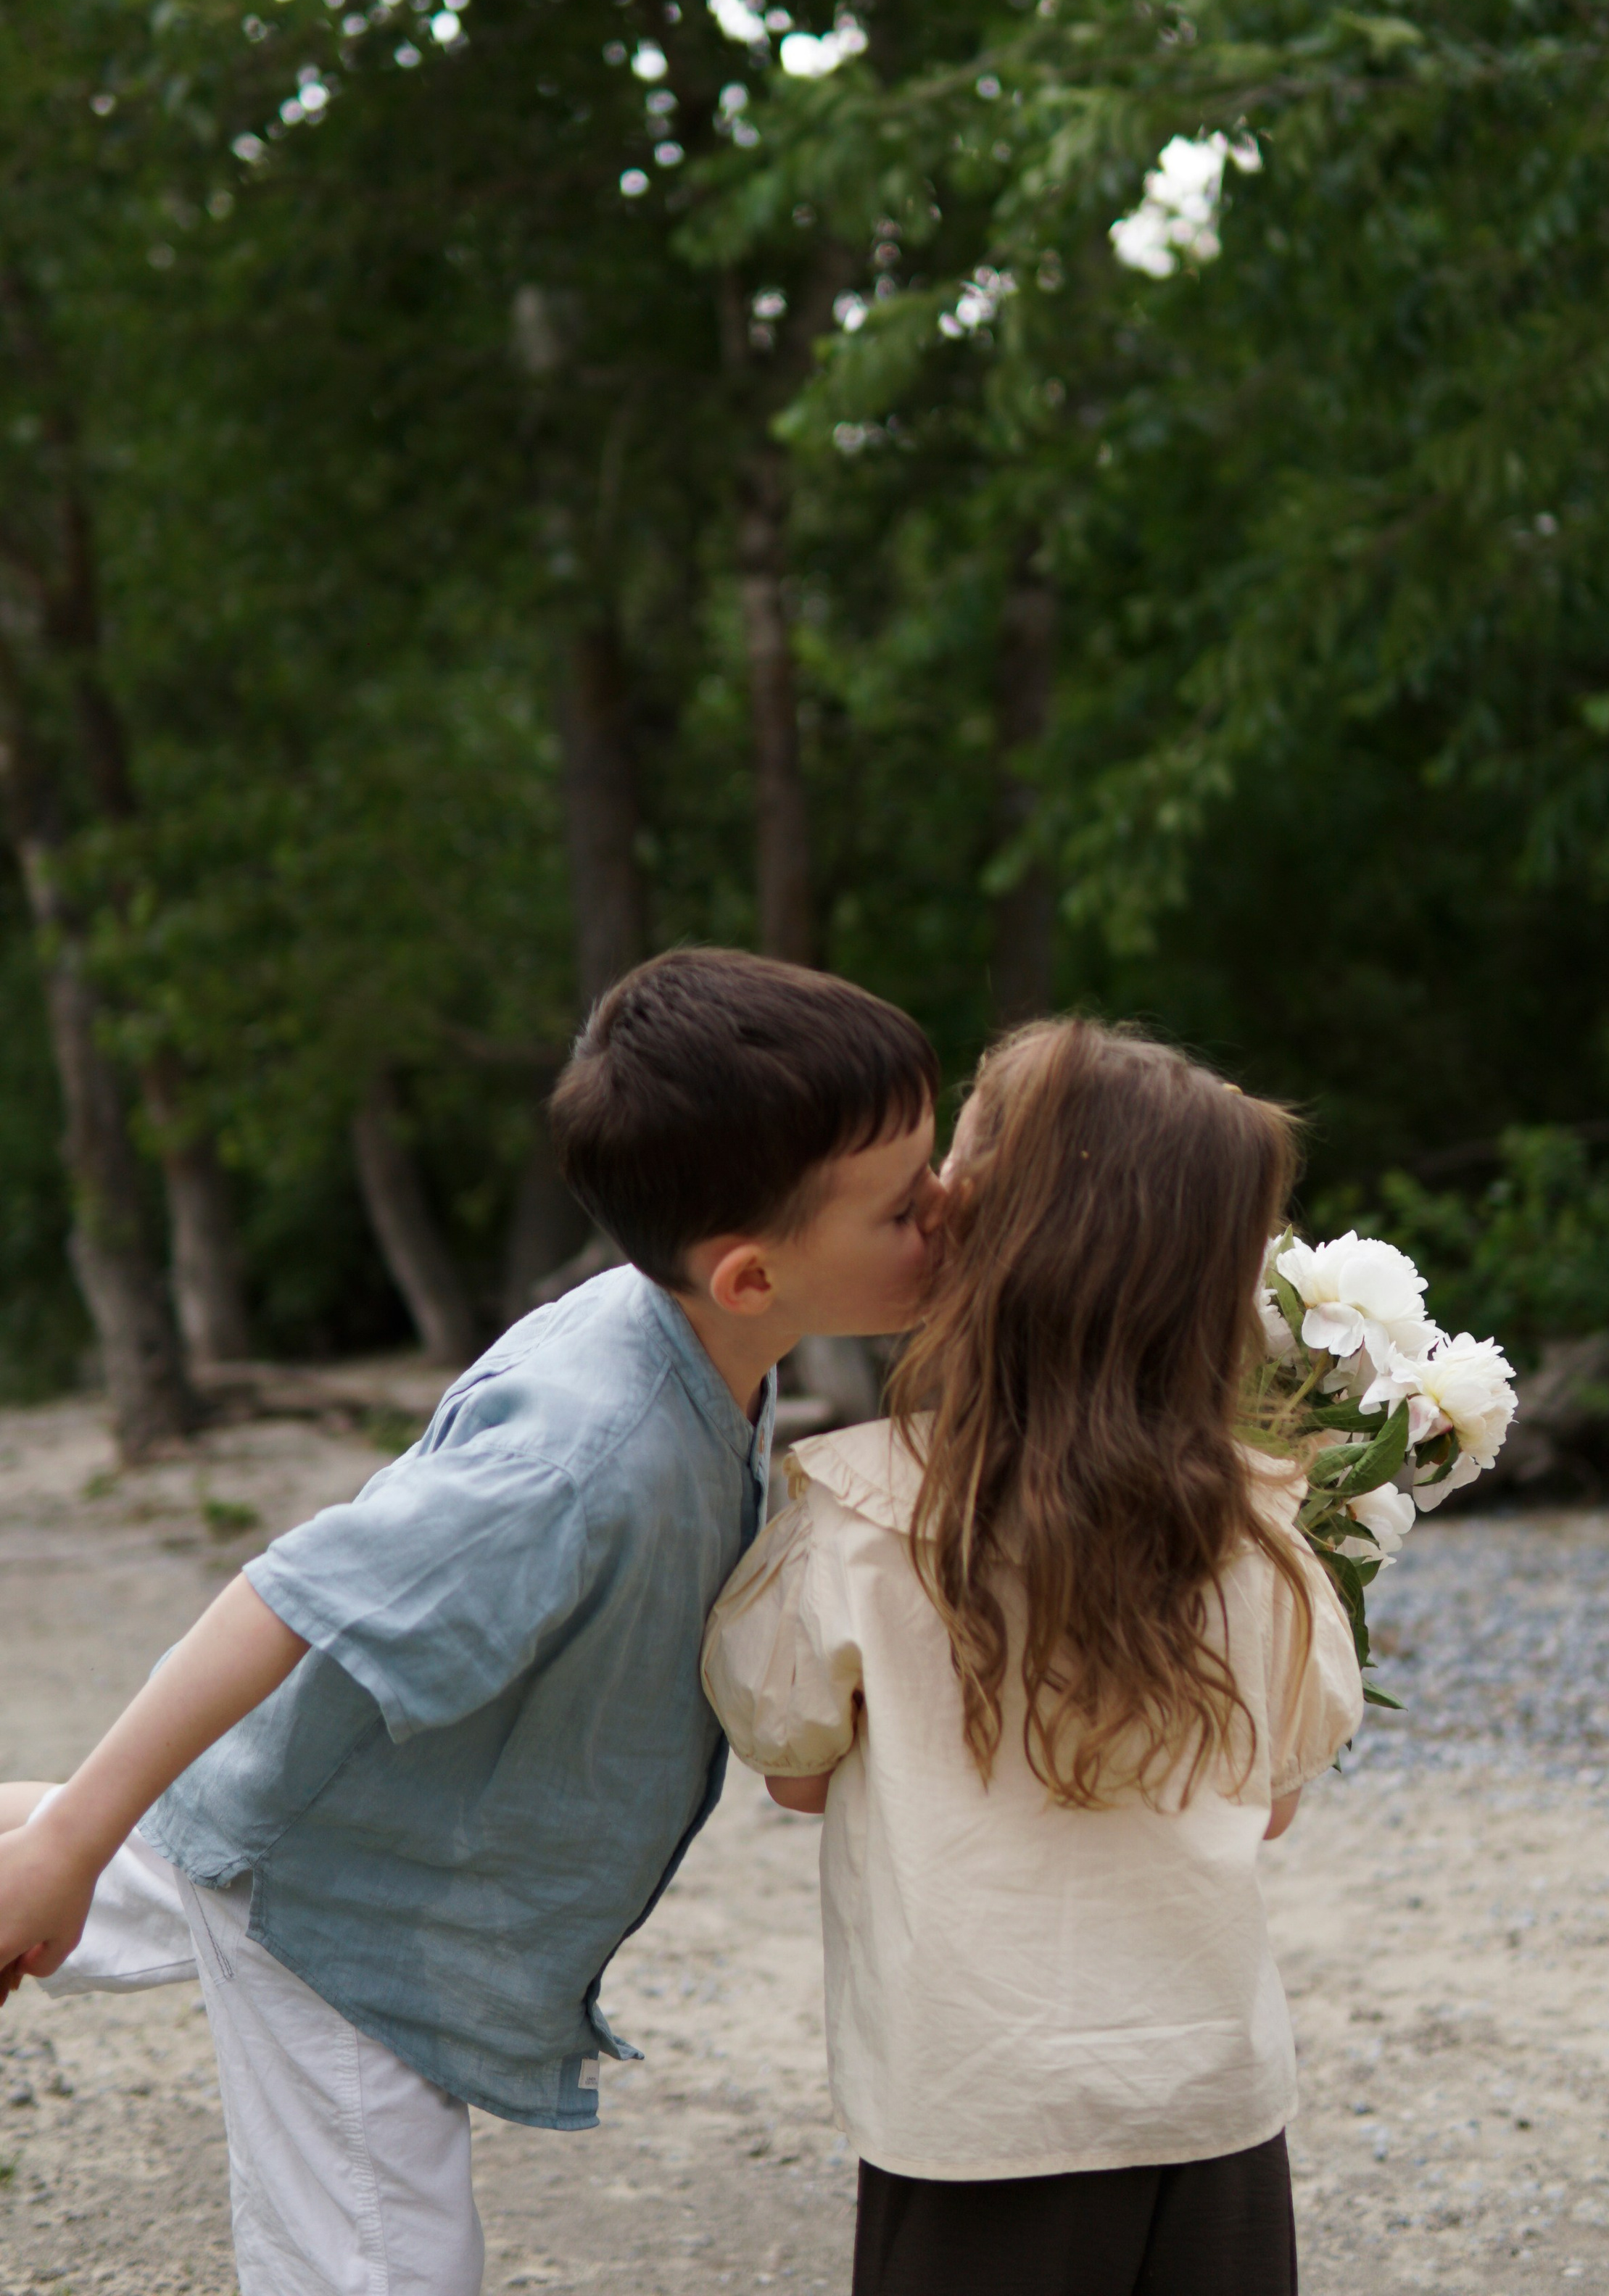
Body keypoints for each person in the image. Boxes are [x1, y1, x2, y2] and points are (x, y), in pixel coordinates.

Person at [0, 947, 944, 2296]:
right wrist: (73, 1843)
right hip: (356, 1920)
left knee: (190, 1860)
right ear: (749, 1278)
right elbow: (285, 1595)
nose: (951, 1213)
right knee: (387, 2268)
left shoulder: (707, 1329)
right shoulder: (581, 1455)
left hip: (359, 1811)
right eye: (909, 1206)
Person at [703, 1017, 1364, 2296]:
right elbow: (1270, 1803)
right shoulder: (1263, 1529)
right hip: (1209, 2107)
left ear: (994, 1238)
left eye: (956, 1160)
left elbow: (791, 1768)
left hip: (974, 2110)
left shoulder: (859, 1517)